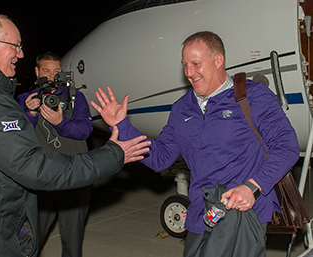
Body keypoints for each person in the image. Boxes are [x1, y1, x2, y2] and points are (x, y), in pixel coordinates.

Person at [0, 12, 150, 257]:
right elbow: (34, 168)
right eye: (15, 46)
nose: (21, 54)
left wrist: (61, 122)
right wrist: (113, 155)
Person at [90, 31, 299, 256]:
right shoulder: (182, 108)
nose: (189, 72)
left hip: (243, 214)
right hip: (202, 215)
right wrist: (121, 125)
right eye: (185, 65)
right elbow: (160, 157)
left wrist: (251, 186)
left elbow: (287, 147)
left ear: (218, 60)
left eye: (196, 63)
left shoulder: (253, 96)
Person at [16, 52, 92, 257]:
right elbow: (18, 137)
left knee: (73, 241)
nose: (51, 77)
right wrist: (30, 114)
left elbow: (85, 130)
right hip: (41, 178)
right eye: (46, 71)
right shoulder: (25, 99)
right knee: (31, 237)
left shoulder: (76, 97)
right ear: (37, 72)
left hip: (73, 176)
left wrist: (61, 123)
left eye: (56, 71)